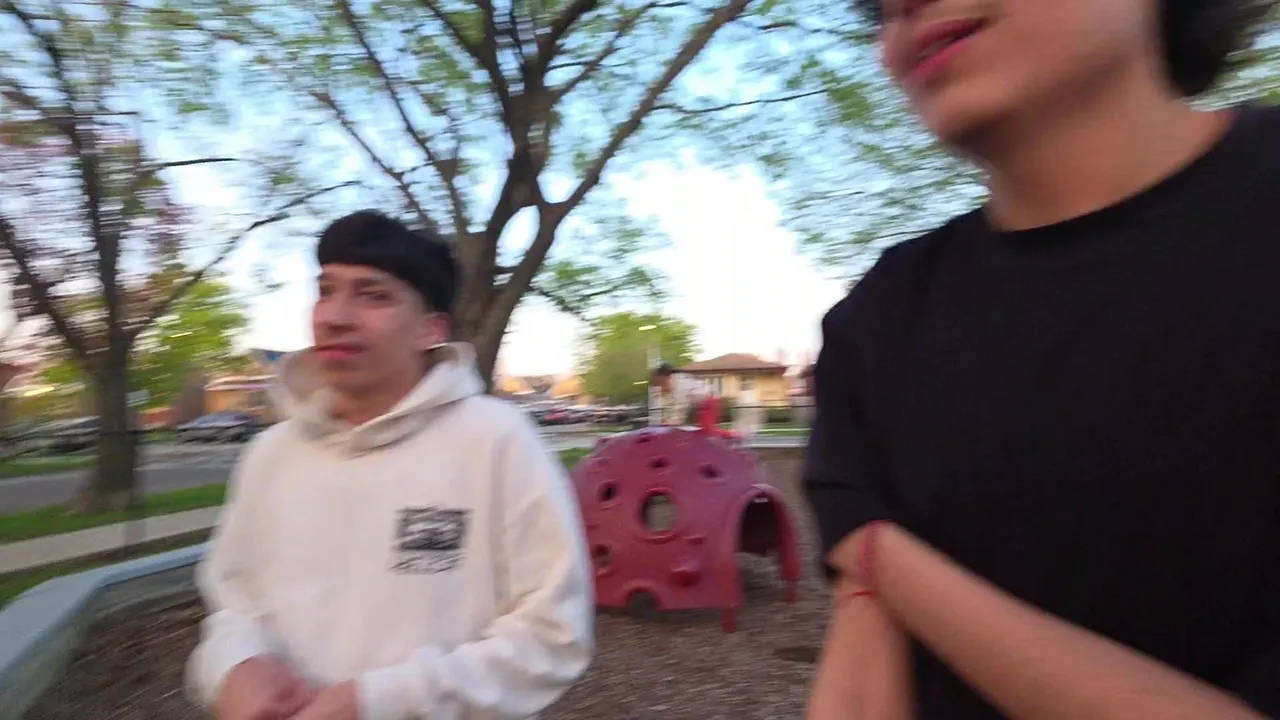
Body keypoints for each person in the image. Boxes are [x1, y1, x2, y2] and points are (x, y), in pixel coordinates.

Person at [804, 1, 1279, 718]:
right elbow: (862, 667)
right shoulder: (880, 320)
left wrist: (878, 554)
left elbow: (866, 561)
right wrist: (871, 560)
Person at [186, 210, 594, 720]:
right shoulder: (271, 455)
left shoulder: (497, 442)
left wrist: (377, 702)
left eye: (373, 295)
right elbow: (233, 604)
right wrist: (233, 665)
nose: (335, 316)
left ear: (430, 329)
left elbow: (552, 637)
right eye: (326, 290)